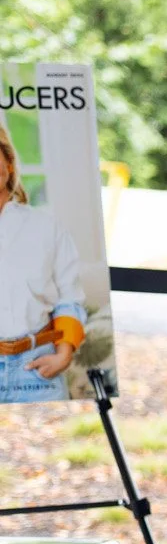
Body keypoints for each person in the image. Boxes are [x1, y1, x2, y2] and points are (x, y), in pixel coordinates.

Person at [0, 122, 85, 403]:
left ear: (9, 163)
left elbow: (69, 296)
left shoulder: (47, 227)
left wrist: (64, 353)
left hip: (36, 373)